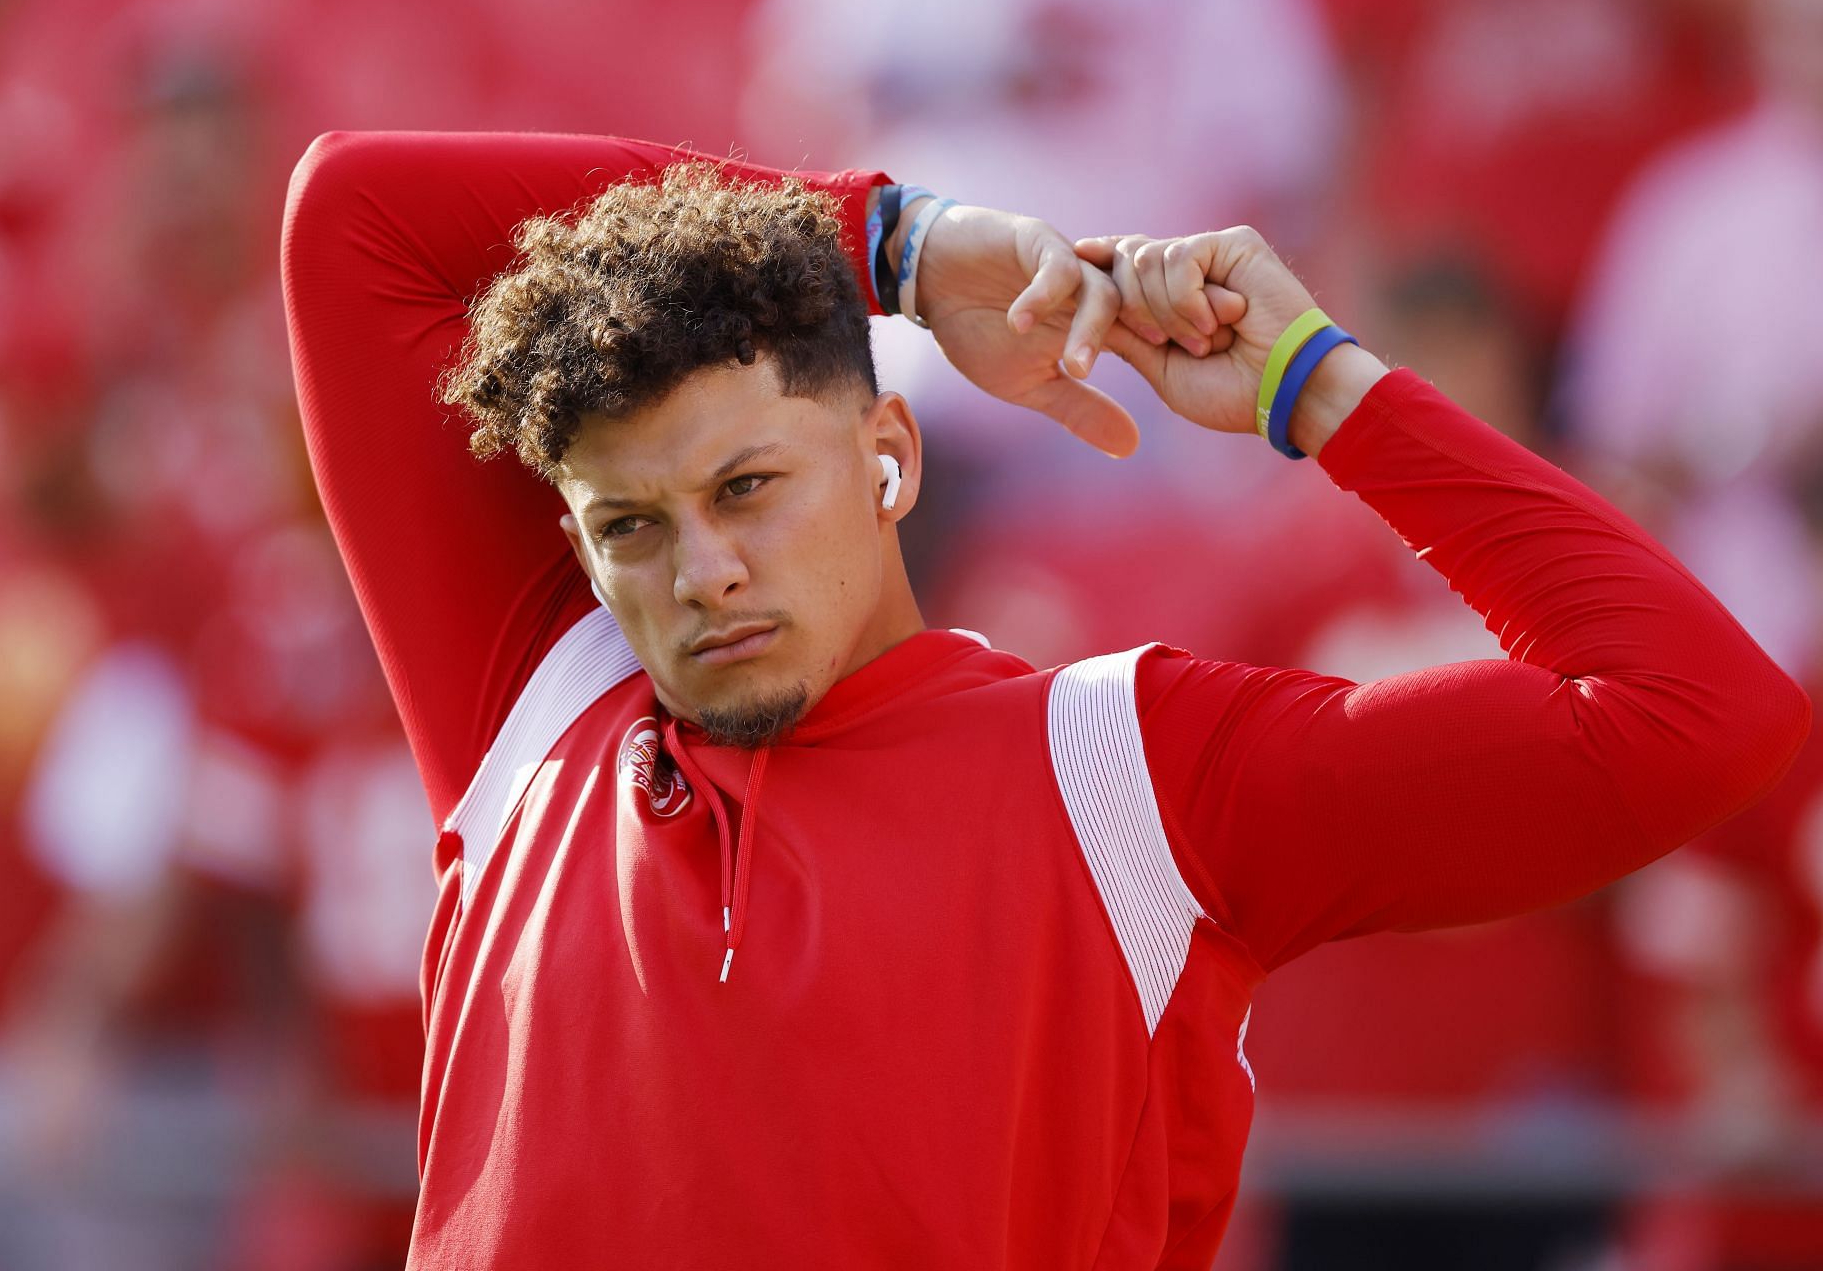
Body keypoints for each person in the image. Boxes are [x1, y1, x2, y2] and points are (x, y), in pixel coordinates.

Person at [279, 131, 1809, 1270]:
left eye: (750, 487)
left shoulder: (1120, 773)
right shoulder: (540, 715)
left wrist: (1312, 386)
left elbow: (1695, 713)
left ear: (892, 454)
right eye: (631, 527)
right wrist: (902, 250)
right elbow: (349, 211)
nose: (702, 571)